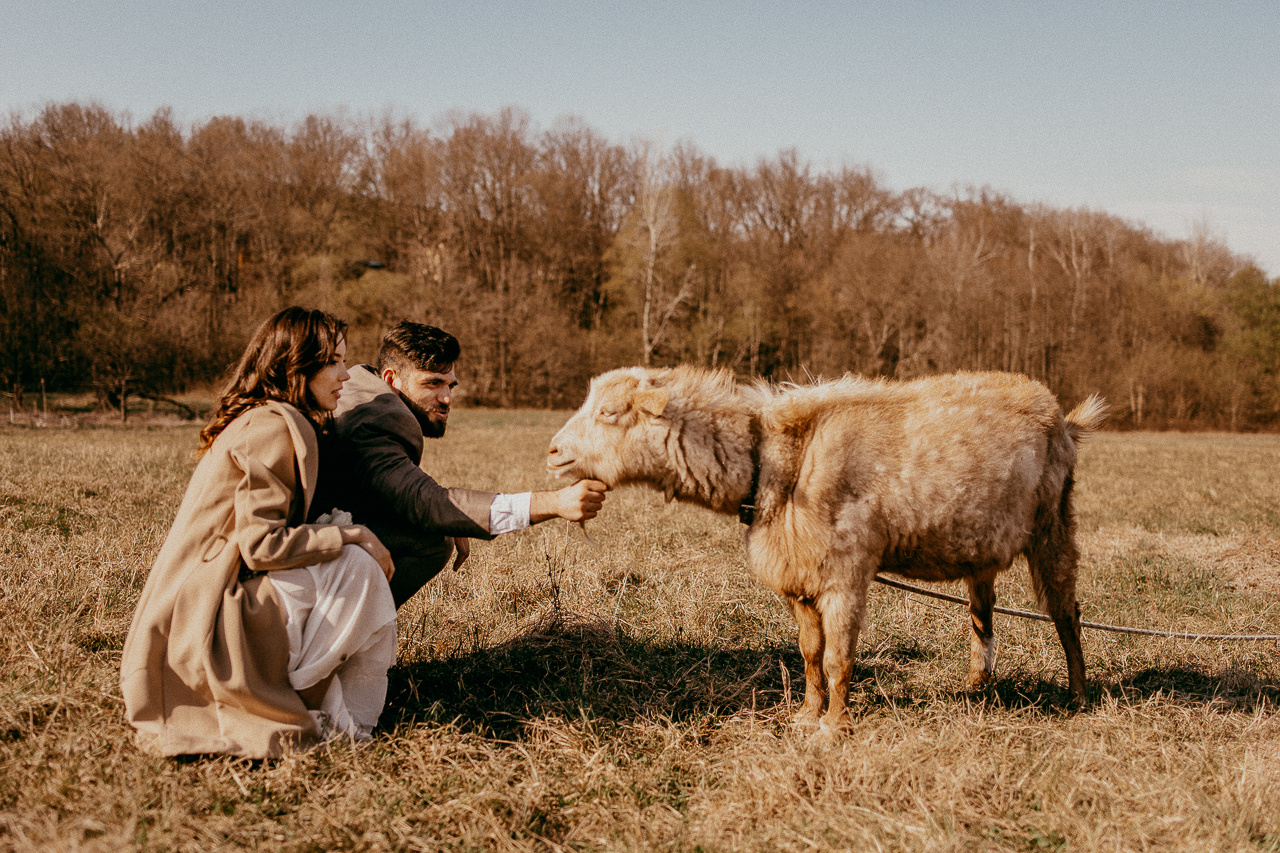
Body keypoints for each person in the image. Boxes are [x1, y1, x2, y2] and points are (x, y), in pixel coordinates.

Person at [120, 307, 399, 758]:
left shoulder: (268, 417)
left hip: (193, 607)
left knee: (347, 558)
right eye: (332, 361)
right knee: (356, 568)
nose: (346, 374)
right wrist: (352, 536)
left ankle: (314, 696)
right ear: (296, 365)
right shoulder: (271, 427)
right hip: (202, 619)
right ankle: (313, 706)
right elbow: (261, 545)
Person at [312, 321, 607, 607]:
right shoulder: (382, 416)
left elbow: (389, 476)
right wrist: (554, 502)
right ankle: (345, 645)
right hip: (293, 552)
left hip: (309, 535)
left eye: (450, 385)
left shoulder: (364, 386)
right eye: (432, 383)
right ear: (391, 379)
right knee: (431, 539)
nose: (447, 398)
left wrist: (449, 516)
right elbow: (423, 501)